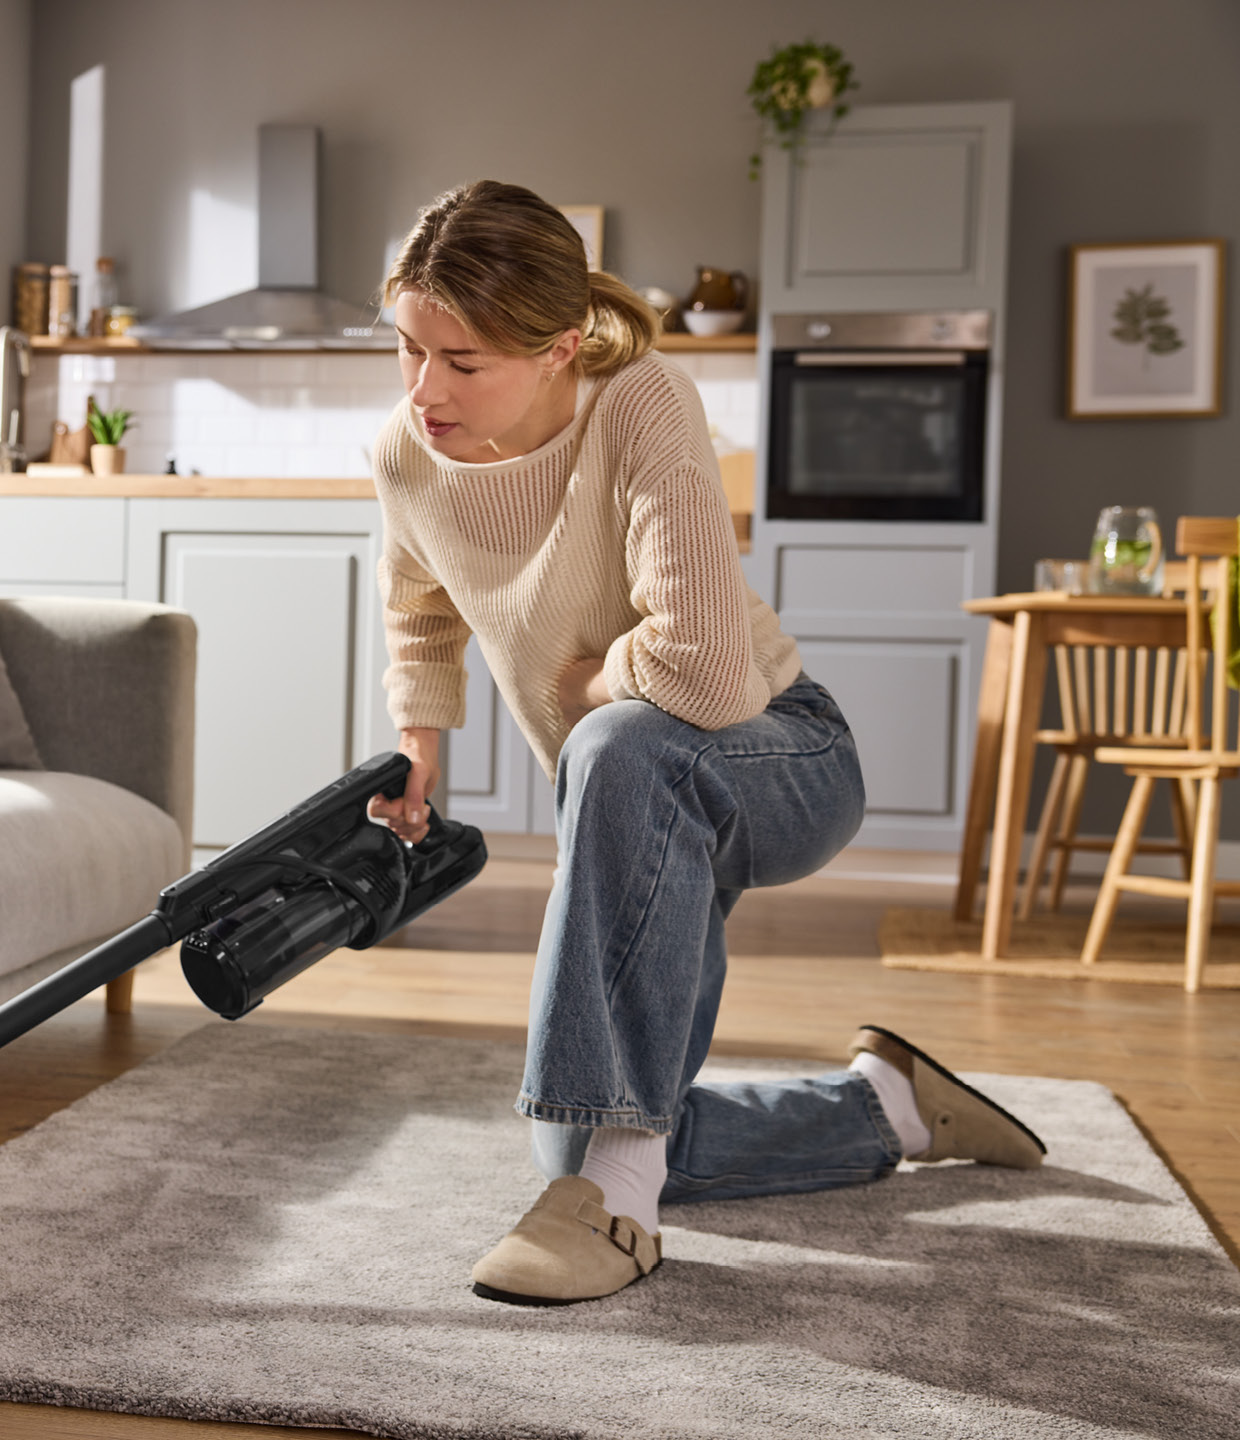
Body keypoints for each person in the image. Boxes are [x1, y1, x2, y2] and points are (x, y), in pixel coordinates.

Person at [362, 181, 1045, 1305]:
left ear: (558, 348)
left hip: (778, 753)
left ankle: (621, 1220)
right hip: (631, 791)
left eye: (463, 360)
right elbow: (421, 603)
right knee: (573, 1139)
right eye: (407, 349)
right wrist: (419, 749)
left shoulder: (640, 403)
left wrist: (588, 681)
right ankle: (891, 1107)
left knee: (620, 739)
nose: (426, 387)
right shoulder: (406, 451)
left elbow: (710, 676)